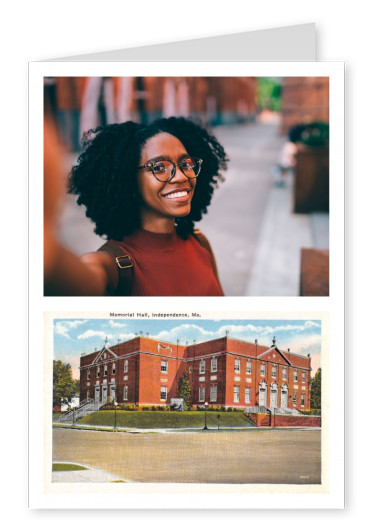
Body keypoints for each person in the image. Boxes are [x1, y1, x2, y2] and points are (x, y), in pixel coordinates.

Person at [45, 116, 228, 296]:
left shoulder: (200, 243)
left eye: (186, 163)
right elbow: (69, 279)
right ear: (129, 181)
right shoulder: (111, 266)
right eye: (159, 167)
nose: (181, 176)